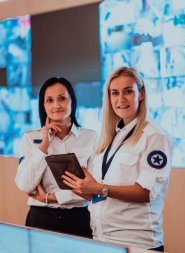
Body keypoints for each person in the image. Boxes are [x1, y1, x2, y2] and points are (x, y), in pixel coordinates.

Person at [62, 67, 172, 251]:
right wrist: (84, 189)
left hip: (136, 243)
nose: (120, 99)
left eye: (128, 91)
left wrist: (98, 188)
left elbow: (146, 192)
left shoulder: (155, 136)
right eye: (115, 93)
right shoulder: (109, 139)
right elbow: (103, 195)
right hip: (102, 239)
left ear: (141, 93)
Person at [15, 77, 96, 238]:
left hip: (79, 219)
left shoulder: (91, 138)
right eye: (49, 100)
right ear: (43, 106)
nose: (56, 105)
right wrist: (44, 146)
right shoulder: (30, 138)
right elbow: (25, 185)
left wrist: (49, 198)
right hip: (40, 219)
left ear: (72, 101)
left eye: (62, 98)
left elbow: (93, 188)